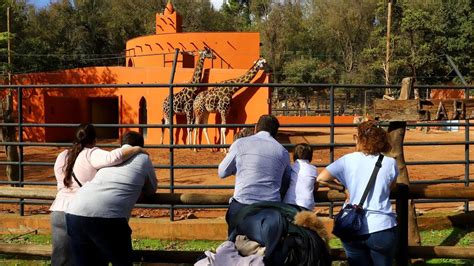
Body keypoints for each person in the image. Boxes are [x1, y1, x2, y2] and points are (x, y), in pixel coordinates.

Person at [49, 124, 145, 266]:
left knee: (61, 259)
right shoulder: (91, 153)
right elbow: (115, 157)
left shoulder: (62, 155)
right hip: (81, 212)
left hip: (58, 211)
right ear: (94, 140)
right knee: (90, 258)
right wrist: (136, 149)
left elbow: (60, 182)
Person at [316, 120, 399, 266]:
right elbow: (391, 187)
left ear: (359, 139)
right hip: (382, 225)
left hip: (352, 227)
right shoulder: (390, 162)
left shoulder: (347, 160)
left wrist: (343, 189)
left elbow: (321, 179)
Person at [218, 114, 291, 235]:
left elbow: (222, 172)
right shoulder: (283, 152)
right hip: (271, 207)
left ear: (256, 128)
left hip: (242, 205)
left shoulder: (240, 143)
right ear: (276, 133)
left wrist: (239, 170)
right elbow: (286, 182)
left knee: (234, 243)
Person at [283, 143, 318, 210]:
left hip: (289, 201)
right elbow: (316, 186)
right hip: (306, 203)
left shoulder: (291, 167)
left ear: (294, 155)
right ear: (311, 156)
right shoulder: (313, 169)